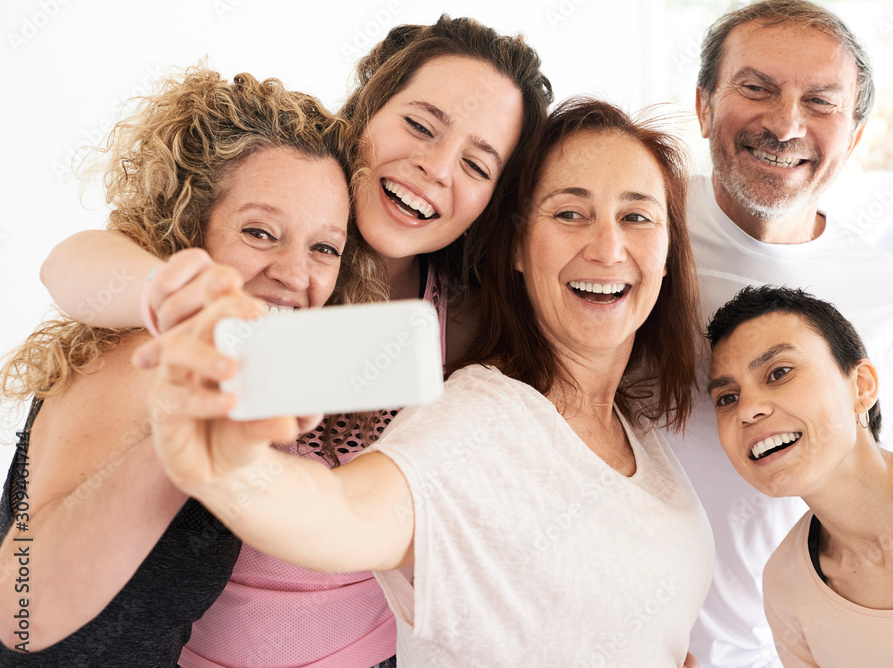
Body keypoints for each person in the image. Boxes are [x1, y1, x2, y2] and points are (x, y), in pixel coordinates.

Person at [40, 16, 553, 667]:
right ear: (365, 112)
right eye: (421, 126)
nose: (436, 167)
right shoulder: (265, 248)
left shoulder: (464, 320)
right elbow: (71, 264)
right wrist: (172, 295)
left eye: (477, 165)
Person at [142, 98, 713, 667]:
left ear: (667, 253)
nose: (608, 248)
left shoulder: (636, 427)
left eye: (637, 217)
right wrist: (228, 466)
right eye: (569, 213)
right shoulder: (482, 417)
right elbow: (346, 513)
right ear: (517, 247)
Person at [0, 67, 356, 664]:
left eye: (324, 247)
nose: (296, 274)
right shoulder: (147, 363)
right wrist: (178, 444)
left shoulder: (224, 369)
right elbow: (23, 607)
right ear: (193, 226)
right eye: (260, 232)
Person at [664, 2, 893, 666]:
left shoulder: (884, 292)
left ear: (854, 135)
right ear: (703, 105)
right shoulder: (639, 225)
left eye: (821, 101)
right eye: (756, 88)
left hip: (766, 651)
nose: (785, 124)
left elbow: (859, 495)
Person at [705, 285, 893, 666]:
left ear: (861, 386)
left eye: (779, 373)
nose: (748, 410)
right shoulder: (786, 588)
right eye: (727, 398)